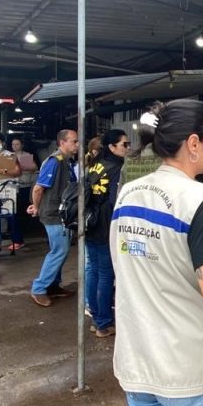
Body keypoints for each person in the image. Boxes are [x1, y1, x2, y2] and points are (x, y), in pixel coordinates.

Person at [110, 100, 203, 406]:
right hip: (191, 369)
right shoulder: (200, 200)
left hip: (138, 359)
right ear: (193, 143)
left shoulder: (128, 193)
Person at [26, 129, 79, 307]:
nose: (77, 145)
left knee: (60, 250)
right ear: (62, 142)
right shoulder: (54, 161)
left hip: (61, 213)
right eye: (74, 141)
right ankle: (39, 288)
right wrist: (37, 207)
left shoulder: (66, 161)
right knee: (59, 251)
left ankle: (53, 286)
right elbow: (38, 188)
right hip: (53, 214)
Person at [84, 129, 128, 338]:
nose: (127, 148)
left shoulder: (96, 164)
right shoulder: (117, 168)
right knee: (105, 273)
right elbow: (114, 200)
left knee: (93, 270)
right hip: (105, 225)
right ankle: (103, 323)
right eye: (124, 144)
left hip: (89, 221)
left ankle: (95, 318)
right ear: (112, 147)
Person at [10, 136, 39, 216]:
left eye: (17, 144)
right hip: (13, 185)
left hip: (25, 184)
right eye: (13, 144)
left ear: (22, 145)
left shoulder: (25, 155)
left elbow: (34, 168)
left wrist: (19, 167)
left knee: (25, 205)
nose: (15, 146)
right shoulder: (9, 155)